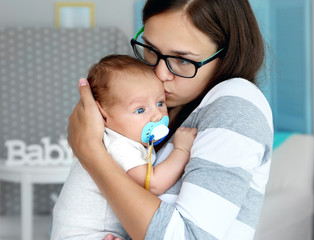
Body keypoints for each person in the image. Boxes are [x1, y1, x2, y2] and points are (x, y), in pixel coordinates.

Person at [67, 0, 274, 239]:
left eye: (183, 60)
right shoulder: (173, 111)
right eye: (151, 50)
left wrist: (90, 150)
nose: (159, 73)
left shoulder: (237, 102)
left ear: (226, 56)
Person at [51, 55, 197, 239]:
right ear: (102, 115)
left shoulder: (123, 140)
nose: (157, 116)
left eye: (160, 103)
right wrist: (181, 150)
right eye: (140, 110)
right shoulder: (119, 145)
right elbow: (153, 184)